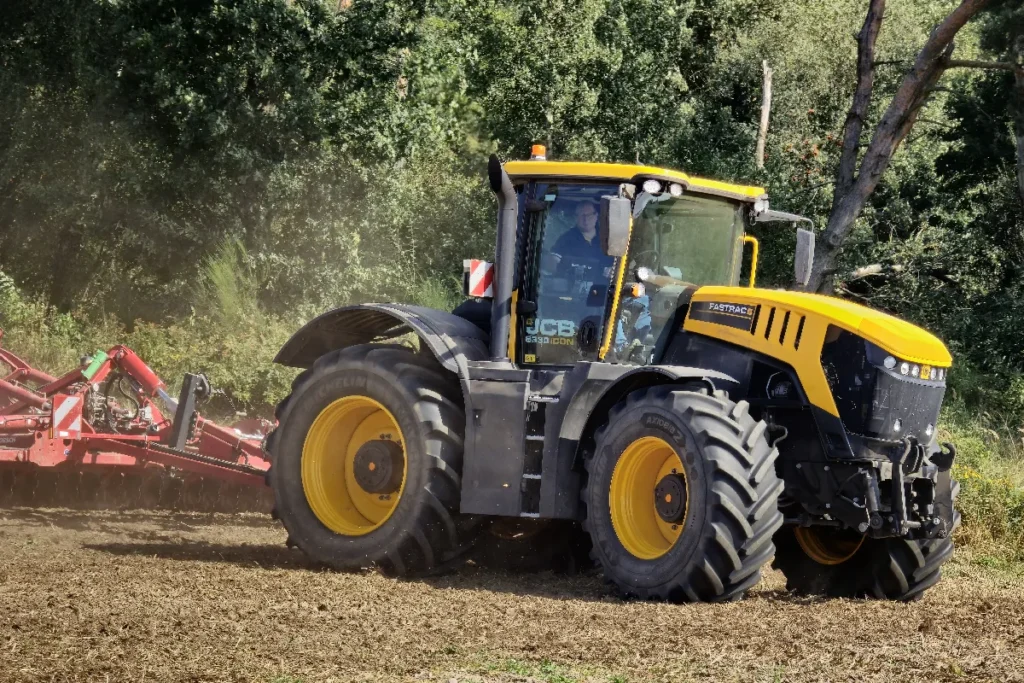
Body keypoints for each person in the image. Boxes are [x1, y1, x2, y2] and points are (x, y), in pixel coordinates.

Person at [547, 200, 615, 278]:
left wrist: (612, 271)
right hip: (573, 286)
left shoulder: (608, 239)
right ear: (576, 217)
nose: (585, 219)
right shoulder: (566, 239)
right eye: (581, 215)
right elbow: (552, 262)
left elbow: (618, 263)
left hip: (603, 287)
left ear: (596, 215)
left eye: (589, 215)